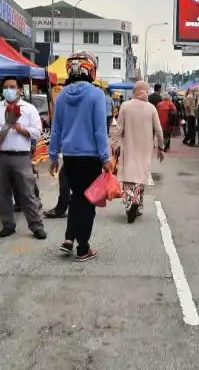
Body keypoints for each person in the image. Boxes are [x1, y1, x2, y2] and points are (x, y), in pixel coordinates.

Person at [49, 51, 112, 262]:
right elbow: (99, 131)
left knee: (76, 196)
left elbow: (55, 129)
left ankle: (69, 238)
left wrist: (52, 157)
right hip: (91, 158)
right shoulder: (96, 95)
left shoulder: (62, 96)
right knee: (88, 201)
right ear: (90, 69)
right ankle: (83, 248)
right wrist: (106, 158)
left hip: (70, 157)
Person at [0, 76, 46, 239]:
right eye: (6, 87)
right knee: (2, 193)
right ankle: (8, 225)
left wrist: (20, 128)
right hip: (0, 157)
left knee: (27, 194)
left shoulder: (29, 109)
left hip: (22, 157)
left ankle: (36, 225)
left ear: (19, 90)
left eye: (12, 87)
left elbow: (37, 131)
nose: (8, 90)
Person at [116, 81, 165, 223]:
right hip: (145, 149)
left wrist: (113, 146)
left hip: (129, 147)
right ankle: (137, 205)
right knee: (141, 176)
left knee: (129, 177)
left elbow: (118, 129)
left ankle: (131, 204)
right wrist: (161, 148)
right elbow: (159, 131)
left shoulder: (125, 106)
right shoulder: (151, 108)